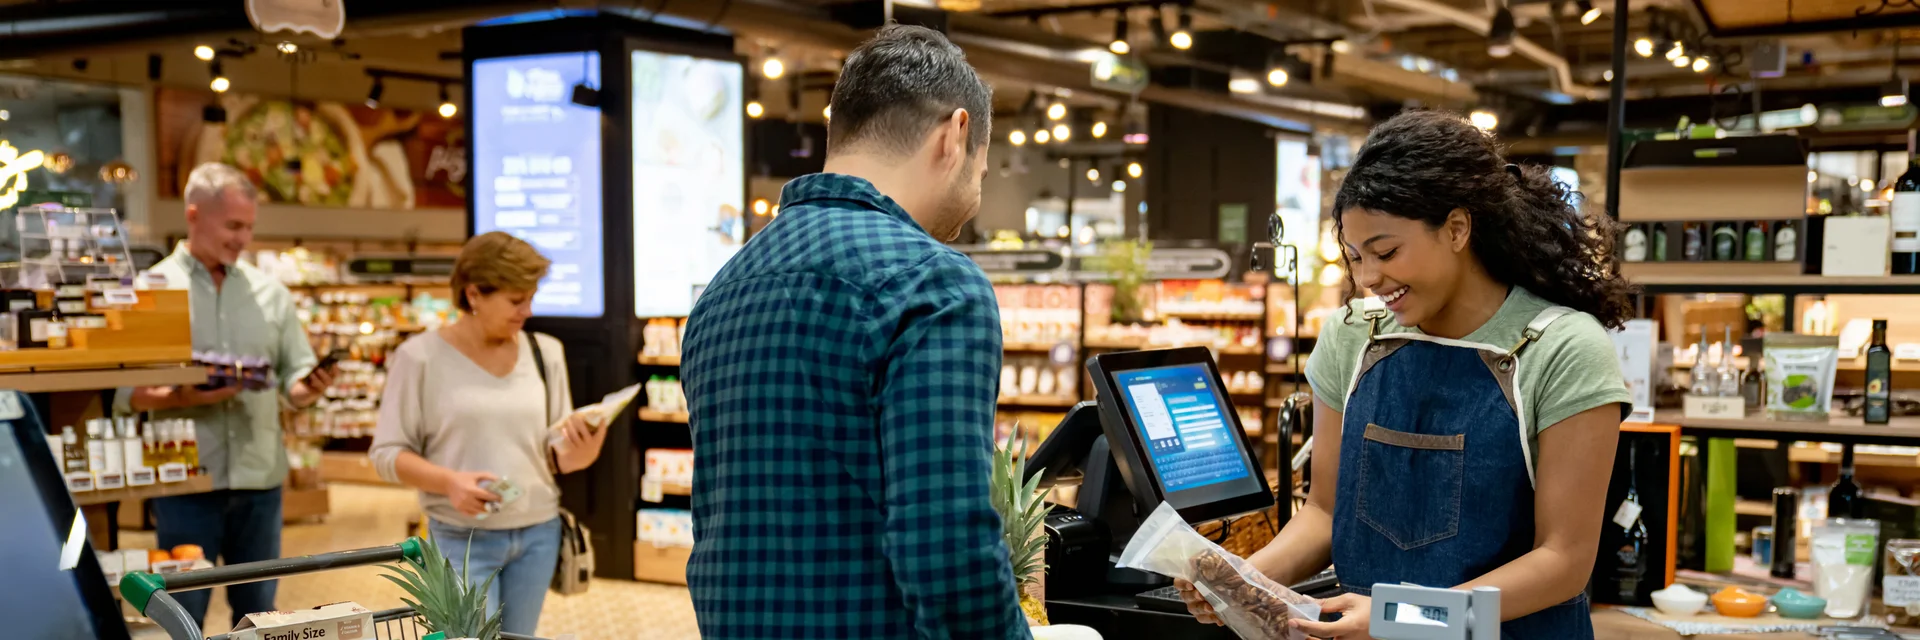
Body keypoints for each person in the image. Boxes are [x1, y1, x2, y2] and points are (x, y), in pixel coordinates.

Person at [1178, 110, 1633, 639]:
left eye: (1387, 252)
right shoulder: (1353, 336)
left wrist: (1404, 619)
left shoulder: (1561, 348)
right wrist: (1248, 578)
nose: (1370, 278)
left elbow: (1565, 559)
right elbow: (1324, 512)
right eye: (1355, 257)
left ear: (1457, 229)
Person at [681, 24, 1029, 639]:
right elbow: (948, 548)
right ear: (956, 134)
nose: (979, 187)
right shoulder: (936, 284)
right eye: (984, 167)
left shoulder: (722, 290)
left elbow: (720, 524)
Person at [116, 162, 334, 627]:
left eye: (250, 227)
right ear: (194, 215)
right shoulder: (149, 291)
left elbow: (295, 379)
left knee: (258, 617)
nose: (243, 239)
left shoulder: (271, 294)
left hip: (260, 482)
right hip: (184, 481)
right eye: (233, 226)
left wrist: (308, 387)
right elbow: (124, 395)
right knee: (183, 614)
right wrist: (183, 398)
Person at [369, 231, 606, 636]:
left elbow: (556, 452)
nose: (527, 311)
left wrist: (585, 451)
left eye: (531, 298)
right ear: (474, 293)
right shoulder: (419, 357)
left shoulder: (545, 351)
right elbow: (386, 454)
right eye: (517, 300)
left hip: (539, 533)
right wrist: (449, 482)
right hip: (458, 541)